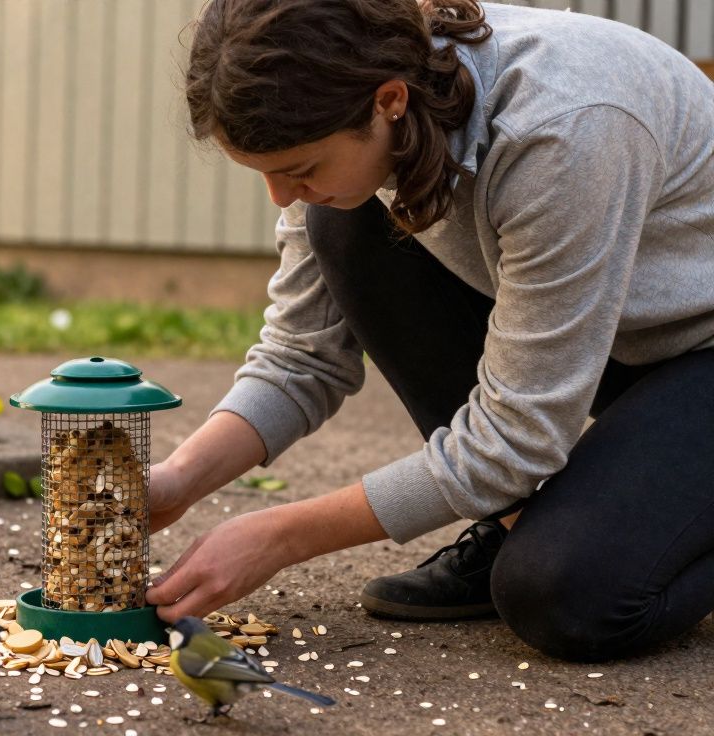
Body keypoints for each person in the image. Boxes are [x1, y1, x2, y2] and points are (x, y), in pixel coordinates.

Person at [144, 0, 714, 663]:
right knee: (344, 222)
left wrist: (280, 535)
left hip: (699, 348)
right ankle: (518, 521)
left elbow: (517, 438)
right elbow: (302, 357)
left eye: (300, 169)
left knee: (567, 597)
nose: (281, 196)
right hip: (614, 333)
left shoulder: (562, 131)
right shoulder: (357, 122)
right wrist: (180, 478)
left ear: (388, 101)